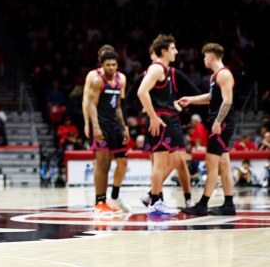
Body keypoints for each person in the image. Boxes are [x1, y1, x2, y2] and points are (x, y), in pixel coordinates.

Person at [180, 43, 236, 215]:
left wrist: (218, 121)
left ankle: (202, 204)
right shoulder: (215, 77)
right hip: (221, 123)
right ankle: (229, 204)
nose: (203, 59)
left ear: (211, 56)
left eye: (205, 56)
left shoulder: (224, 74)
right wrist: (190, 99)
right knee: (224, 165)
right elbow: (211, 98)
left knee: (211, 165)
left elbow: (227, 101)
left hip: (222, 124)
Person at [137, 34, 184, 216]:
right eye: (173, 48)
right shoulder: (157, 69)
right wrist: (153, 116)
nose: (176, 52)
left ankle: (151, 195)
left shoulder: (162, 70)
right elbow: (142, 92)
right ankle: (155, 202)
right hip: (160, 118)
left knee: (175, 159)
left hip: (166, 117)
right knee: (159, 162)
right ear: (163, 51)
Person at [82, 44, 130, 212]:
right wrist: (92, 125)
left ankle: (113, 197)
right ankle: (99, 201)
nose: (111, 67)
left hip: (114, 126)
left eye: (114, 64)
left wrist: (124, 126)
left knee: (121, 162)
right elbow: (90, 104)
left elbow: (118, 106)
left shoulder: (120, 80)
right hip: (101, 125)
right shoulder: (95, 79)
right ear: (101, 64)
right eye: (108, 64)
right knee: (102, 165)